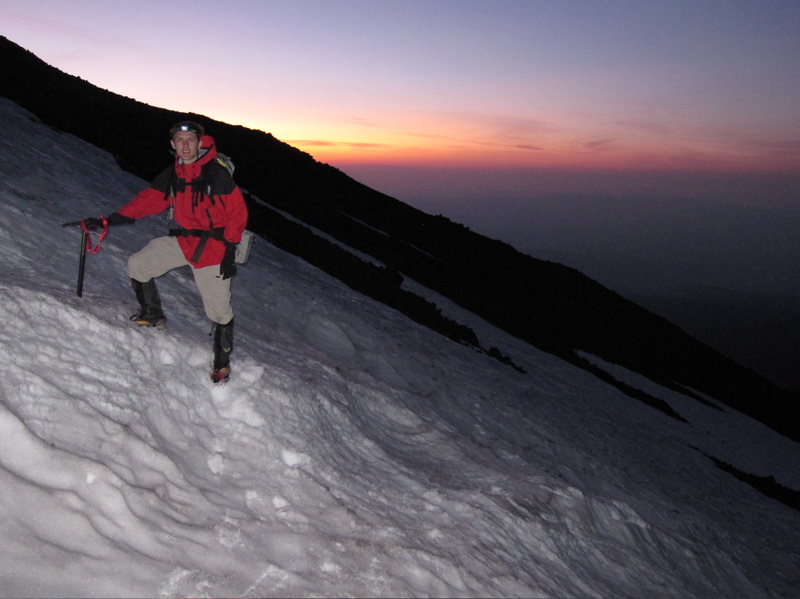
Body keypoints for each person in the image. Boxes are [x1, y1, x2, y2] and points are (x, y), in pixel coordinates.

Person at [83, 121, 248, 383]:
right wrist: (109, 220)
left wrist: (229, 250)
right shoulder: (174, 173)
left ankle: (221, 364)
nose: (185, 145)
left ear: (199, 142)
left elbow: (237, 213)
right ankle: (152, 315)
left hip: (212, 249)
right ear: (173, 145)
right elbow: (149, 200)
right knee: (139, 264)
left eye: (190, 140)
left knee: (219, 311)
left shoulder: (216, 174)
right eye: (179, 141)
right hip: (184, 241)